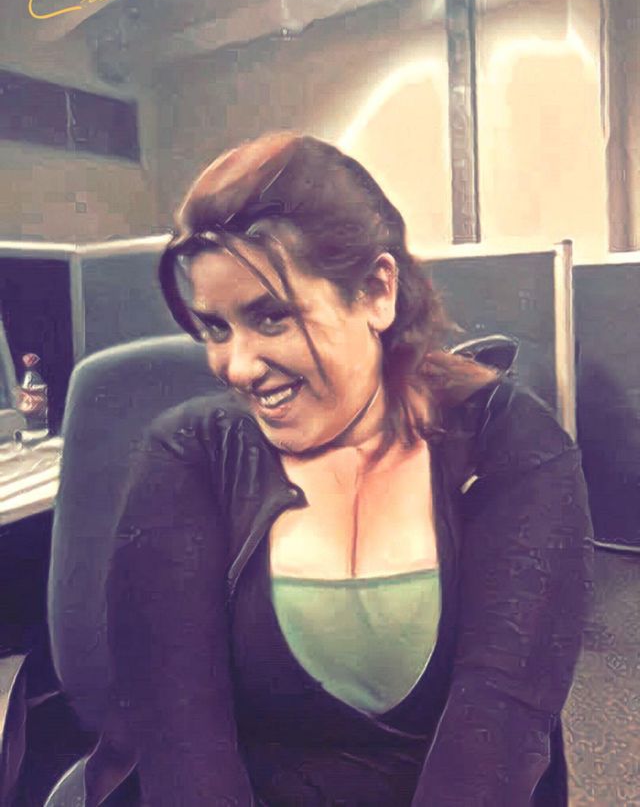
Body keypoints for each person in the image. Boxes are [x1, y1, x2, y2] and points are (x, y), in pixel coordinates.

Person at [99, 131, 593, 806]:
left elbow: (500, 725)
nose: (236, 366)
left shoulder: (509, 442)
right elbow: (181, 743)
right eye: (215, 328)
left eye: (271, 318)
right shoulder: (190, 455)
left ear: (377, 291)